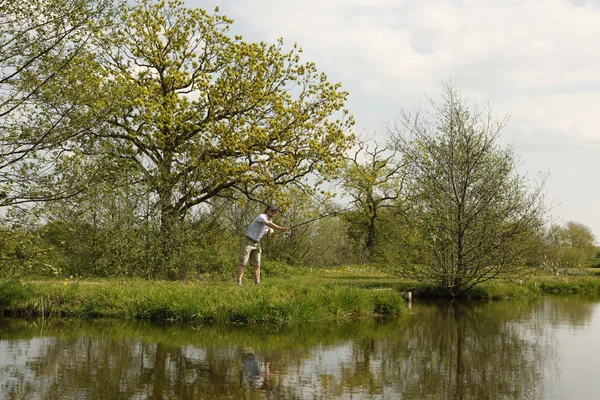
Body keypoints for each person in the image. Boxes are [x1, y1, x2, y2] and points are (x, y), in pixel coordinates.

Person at [237, 204, 287, 285]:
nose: (273, 213)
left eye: (275, 212)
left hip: (257, 243)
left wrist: (273, 234)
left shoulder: (271, 221)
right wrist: (279, 228)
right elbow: (267, 224)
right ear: (267, 210)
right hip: (248, 241)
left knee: (257, 264)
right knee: (243, 262)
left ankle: (257, 283)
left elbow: (271, 231)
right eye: (272, 211)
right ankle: (239, 282)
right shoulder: (261, 216)